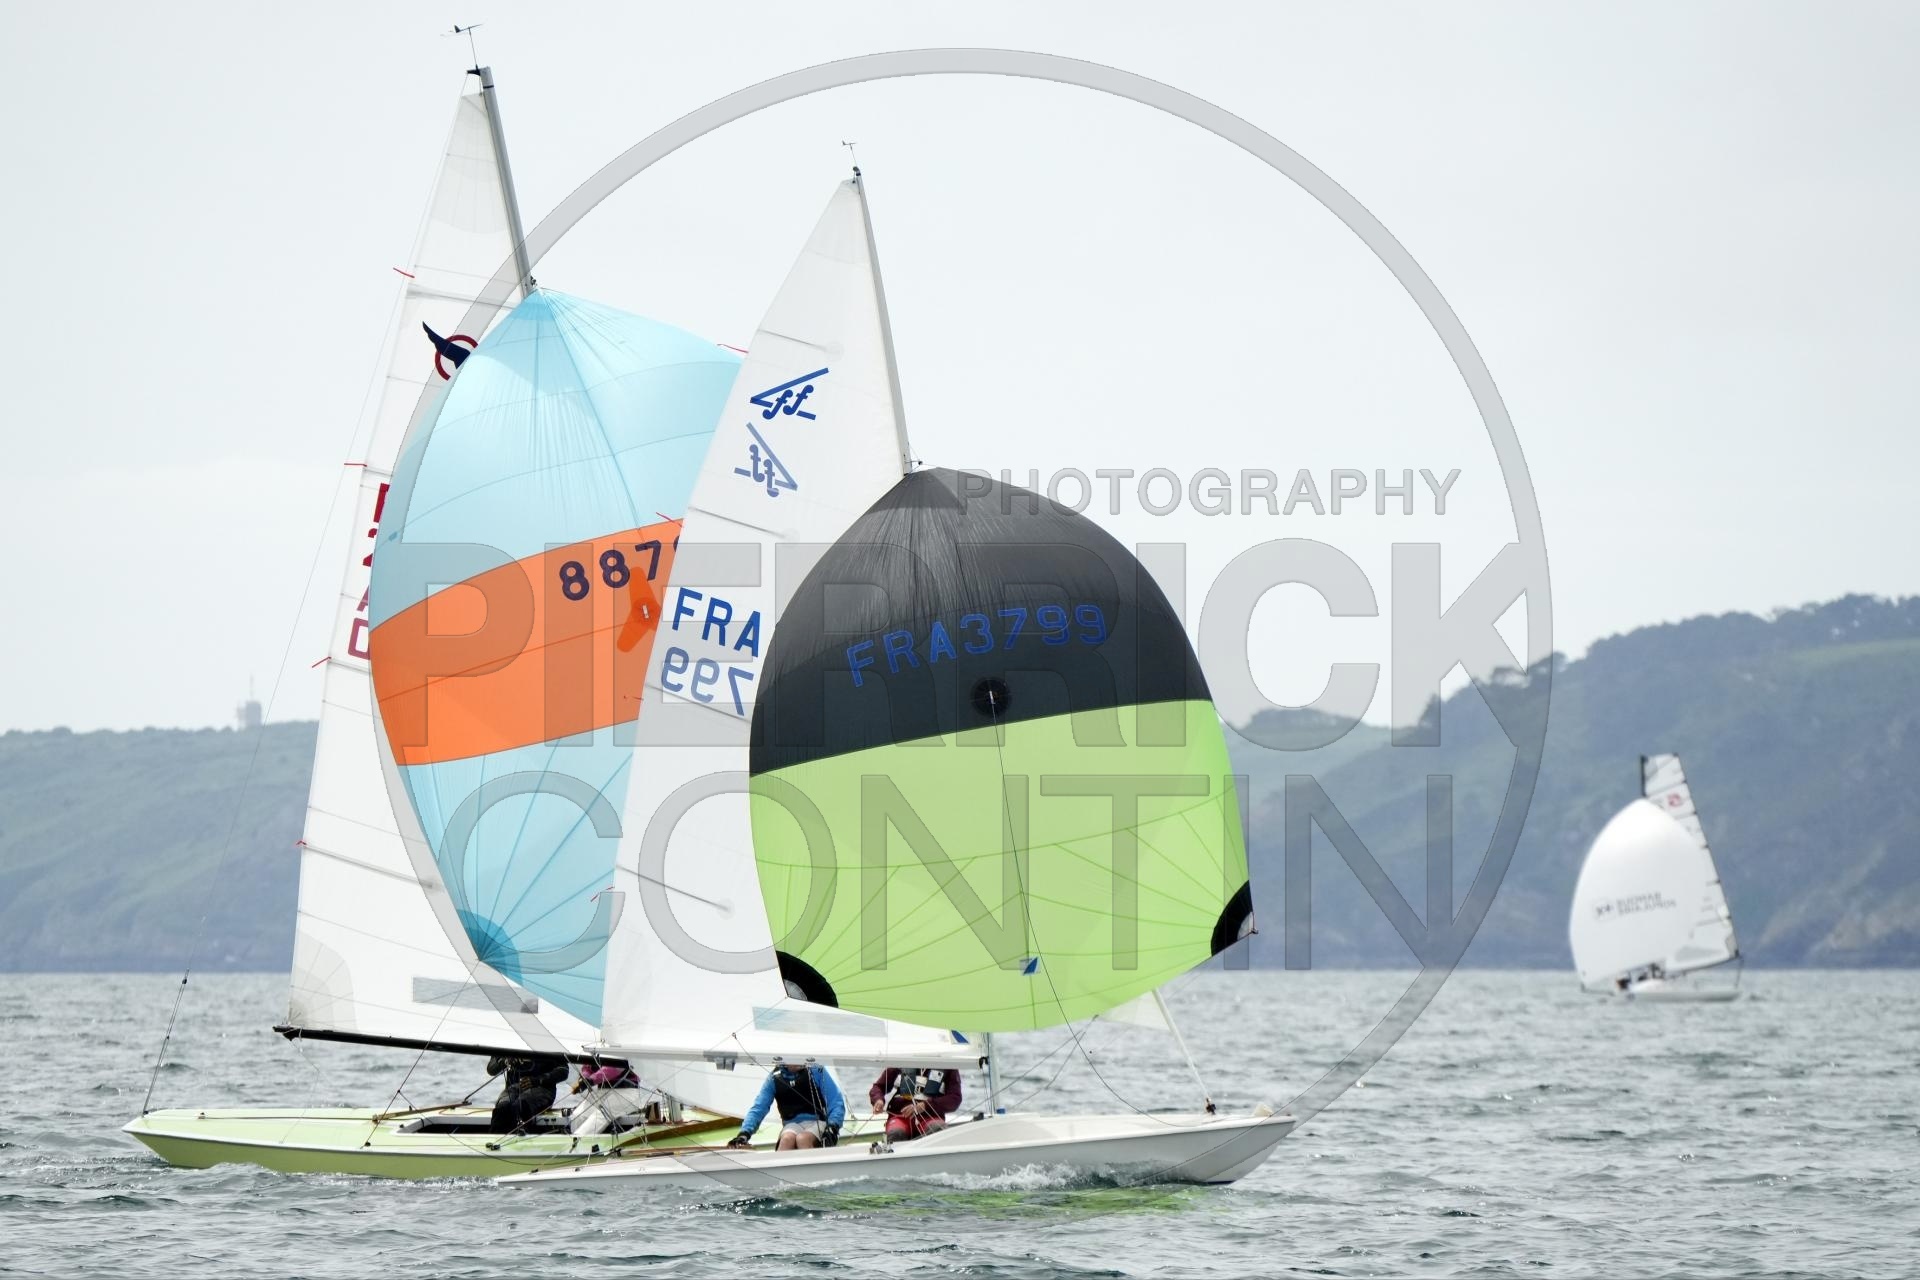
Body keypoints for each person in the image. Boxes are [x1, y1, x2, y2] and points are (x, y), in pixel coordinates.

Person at [725, 1057, 845, 1151]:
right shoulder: (774, 1078)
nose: (800, 1060)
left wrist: (833, 1126)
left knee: (803, 1139)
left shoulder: (816, 1070)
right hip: (792, 1125)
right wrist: (744, 1133)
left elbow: (836, 1101)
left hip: (818, 1122)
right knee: (787, 1140)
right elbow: (759, 1108)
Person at [870, 1066, 962, 1143]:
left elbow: (954, 1098)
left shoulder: (947, 1066)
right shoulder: (900, 1062)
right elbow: (878, 1087)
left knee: (938, 1130)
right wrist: (878, 1100)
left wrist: (925, 1105)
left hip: (930, 1117)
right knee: (896, 1133)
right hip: (900, 1117)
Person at [484, 1054, 569, 1135]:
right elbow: (491, 1070)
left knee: (521, 1105)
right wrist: (505, 1061)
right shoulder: (507, 1044)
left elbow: (564, 1071)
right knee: (502, 1107)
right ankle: (495, 1139)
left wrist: (538, 1080)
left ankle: (522, 1135)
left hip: (543, 1089)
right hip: (512, 1089)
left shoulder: (549, 1046)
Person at [569, 1061, 647, 1136]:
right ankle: (571, 1139)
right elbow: (588, 1067)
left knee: (601, 1114)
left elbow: (614, 1067)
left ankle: (576, 1139)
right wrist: (584, 1078)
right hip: (602, 1090)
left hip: (627, 1092)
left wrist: (590, 1080)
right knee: (577, 1115)